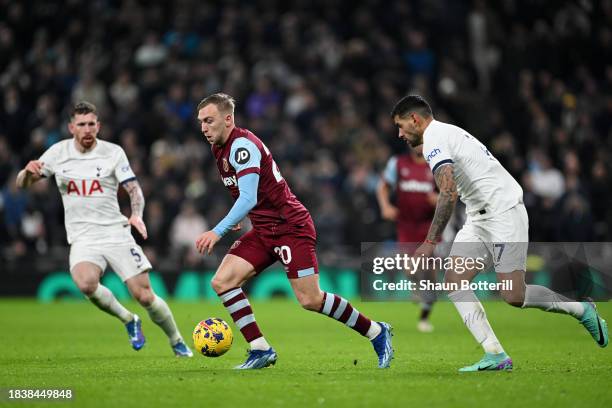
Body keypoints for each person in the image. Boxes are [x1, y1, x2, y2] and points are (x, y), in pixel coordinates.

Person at [390, 95, 608, 372]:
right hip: (478, 217)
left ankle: (582, 310)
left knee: (514, 295)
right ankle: (495, 355)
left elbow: (448, 192)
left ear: (415, 120)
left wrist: (430, 241)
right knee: (454, 279)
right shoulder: (446, 133)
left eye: (400, 126)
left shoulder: (434, 138)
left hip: (504, 212)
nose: (399, 134)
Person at [194, 93, 393, 369]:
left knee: (310, 299)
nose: (204, 127)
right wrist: (238, 215)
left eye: (209, 120)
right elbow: (245, 192)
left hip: (290, 227)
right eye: (201, 122)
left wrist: (218, 231)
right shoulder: (219, 147)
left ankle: (376, 331)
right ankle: (260, 349)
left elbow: (249, 198)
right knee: (223, 281)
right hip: (264, 230)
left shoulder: (242, 146)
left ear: (228, 119)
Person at [16, 101, 192, 357]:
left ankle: (176, 340)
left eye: (91, 124)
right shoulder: (57, 153)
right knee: (86, 284)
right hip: (83, 237)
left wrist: (137, 215)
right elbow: (23, 184)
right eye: (81, 125)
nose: (87, 129)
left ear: (98, 126)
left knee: (143, 295)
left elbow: (134, 189)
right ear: (71, 127)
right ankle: (129, 320)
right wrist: (26, 172)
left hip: (115, 232)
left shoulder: (113, 152)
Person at [377, 147, 438, 332]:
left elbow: (451, 190)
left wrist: (440, 197)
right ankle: (417, 285)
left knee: (430, 273)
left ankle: (424, 317)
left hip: (431, 225)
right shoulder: (398, 163)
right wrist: (385, 206)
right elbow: (382, 187)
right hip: (406, 225)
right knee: (410, 268)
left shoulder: (436, 163)